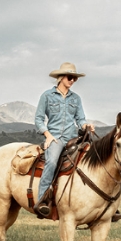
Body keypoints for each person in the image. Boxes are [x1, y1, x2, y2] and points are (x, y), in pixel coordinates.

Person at [34, 62, 94, 218]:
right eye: (70, 77)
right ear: (61, 78)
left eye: (75, 78)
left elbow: (80, 118)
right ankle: (42, 201)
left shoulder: (76, 98)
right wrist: (47, 135)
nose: (72, 80)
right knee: (52, 162)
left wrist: (86, 125)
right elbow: (39, 119)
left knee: (93, 158)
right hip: (55, 138)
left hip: (73, 138)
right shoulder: (47, 96)